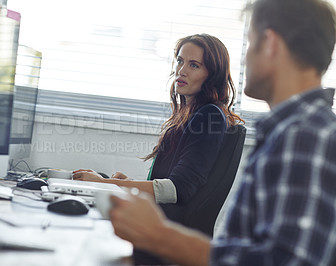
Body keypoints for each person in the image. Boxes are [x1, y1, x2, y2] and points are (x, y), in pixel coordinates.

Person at [107, 0, 336, 265]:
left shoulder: (304, 136)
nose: (245, 57)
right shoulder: (291, 132)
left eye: (250, 44)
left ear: (270, 44)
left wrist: (159, 235)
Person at [73, 34, 243, 205]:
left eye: (194, 65)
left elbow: (178, 189)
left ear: (213, 75)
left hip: (163, 227)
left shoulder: (208, 116)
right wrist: (127, 184)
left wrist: (104, 184)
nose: (181, 70)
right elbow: (168, 188)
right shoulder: (192, 116)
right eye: (179, 61)